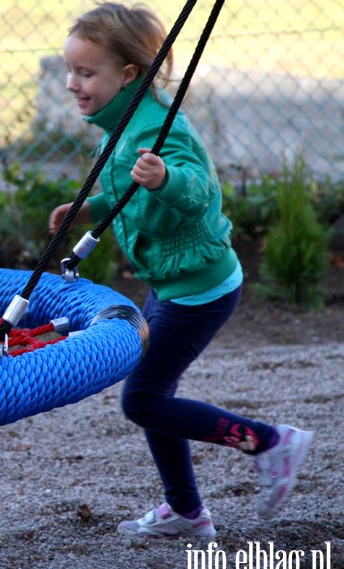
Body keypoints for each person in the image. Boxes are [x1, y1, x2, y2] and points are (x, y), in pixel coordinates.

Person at [49, 2, 313, 538]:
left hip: (200, 288)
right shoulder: (121, 121)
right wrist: (92, 208)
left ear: (127, 75)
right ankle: (187, 511)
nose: (72, 83)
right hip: (173, 281)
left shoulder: (157, 130)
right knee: (155, 397)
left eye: (85, 72)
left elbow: (196, 194)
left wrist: (167, 178)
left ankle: (269, 443)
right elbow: (127, 189)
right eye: (70, 70)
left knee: (143, 398)